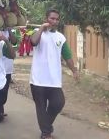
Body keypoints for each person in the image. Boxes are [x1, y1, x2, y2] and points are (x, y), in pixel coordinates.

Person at [30, 9, 79, 139]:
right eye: (52, 18)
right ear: (46, 19)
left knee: (58, 103)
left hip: (54, 80)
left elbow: (67, 56)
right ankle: (46, 133)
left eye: (57, 19)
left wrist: (74, 70)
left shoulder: (60, 37)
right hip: (38, 80)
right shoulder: (37, 33)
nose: (54, 21)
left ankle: (45, 126)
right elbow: (33, 42)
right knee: (41, 107)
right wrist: (41, 29)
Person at [0, 28, 19, 122]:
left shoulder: (11, 31)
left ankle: (0, 108)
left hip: (7, 67)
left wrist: (9, 30)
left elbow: (14, 42)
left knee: (4, 91)